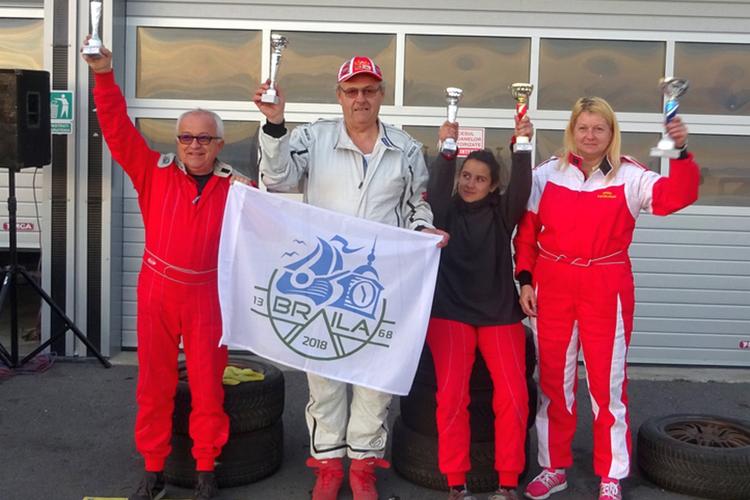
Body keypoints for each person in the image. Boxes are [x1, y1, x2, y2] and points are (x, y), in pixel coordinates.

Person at [254, 55, 449, 500]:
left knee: (375, 378)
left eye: (369, 90)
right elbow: (277, 179)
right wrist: (275, 124)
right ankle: (327, 465)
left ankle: (363, 464)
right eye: (352, 91)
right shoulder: (313, 137)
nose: (361, 98)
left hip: (381, 283)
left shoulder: (405, 148)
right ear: (339, 96)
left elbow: (416, 204)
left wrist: (423, 230)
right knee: (324, 375)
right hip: (323, 279)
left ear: (382, 95)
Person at [82, 40, 247, 500]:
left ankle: (206, 469)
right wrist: (103, 75)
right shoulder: (151, 171)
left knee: (208, 389)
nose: (194, 145)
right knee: (154, 385)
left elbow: (282, 223)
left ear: (219, 144)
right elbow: (116, 128)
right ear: (176, 141)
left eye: (204, 138)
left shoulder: (237, 188)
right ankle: (153, 469)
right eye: (186, 137)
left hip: (208, 297)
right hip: (156, 291)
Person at [513, 97, 700, 500]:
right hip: (552, 284)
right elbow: (526, 233)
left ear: (612, 133)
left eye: (599, 128)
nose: (590, 136)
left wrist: (681, 151)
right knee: (553, 383)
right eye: (583, 128)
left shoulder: (631, 176)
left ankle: (611, 473)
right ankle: (553, 466)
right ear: (571, 131)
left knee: (607, 385)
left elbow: (678, 196)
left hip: (606, 285)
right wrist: (525, 280)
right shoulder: (547, 174)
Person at [426, 117, 533, 500]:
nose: (470, 183)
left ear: (493, 186)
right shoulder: (444, 210)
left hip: (498, 313)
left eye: (480, 179)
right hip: (450, 312)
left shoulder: (502, 213)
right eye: (466, 176)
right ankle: (456, 484)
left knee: (514, 396)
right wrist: (447, 149)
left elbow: (522, 188)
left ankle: (508, 483)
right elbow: (438, 185)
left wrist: (522, 145)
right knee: (451, 397)